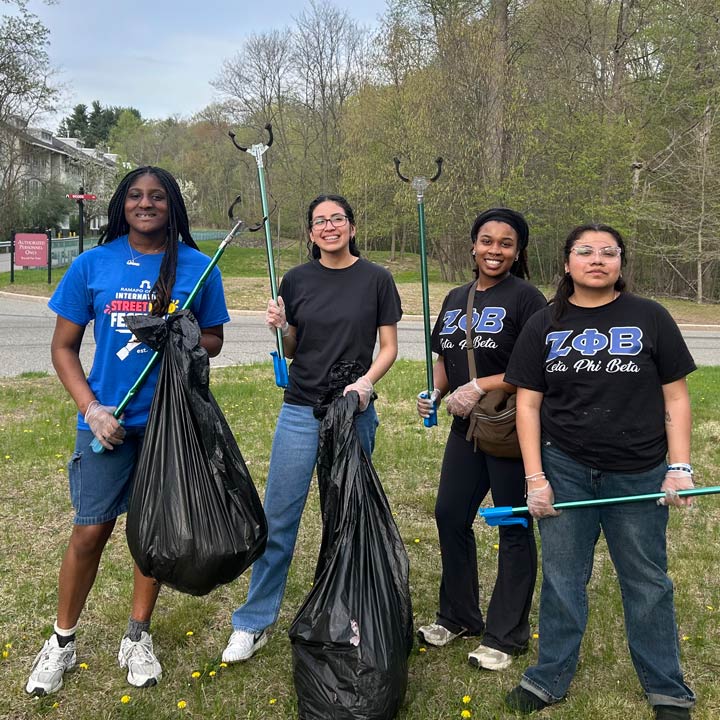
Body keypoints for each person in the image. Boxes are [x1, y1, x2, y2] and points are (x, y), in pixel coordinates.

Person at [25, 167, 230, 696]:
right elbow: (63, 347)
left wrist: (183, 336)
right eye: (136, 196)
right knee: (90, 530)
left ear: (172, 206)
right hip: (107, 423)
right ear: (122, 205)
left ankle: (136, 635)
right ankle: (62, 641)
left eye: (157, 196)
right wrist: (91, 408)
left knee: (150, 533)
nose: (146, 204)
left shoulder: (199, 267)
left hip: (170, 423)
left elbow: (213, 341)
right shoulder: (92, 264)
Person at [503, 224, 696, 720]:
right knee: (563, 580)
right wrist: (535, 479)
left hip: (638, 472)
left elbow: (675, 396)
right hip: (565, 468)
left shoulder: (650, 317)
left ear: (621, 264)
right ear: (566, 264)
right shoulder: (545, 323)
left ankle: (667, 689)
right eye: (584, 251)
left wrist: (678, 468)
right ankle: (548, 679)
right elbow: (527, 406)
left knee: (647, 582)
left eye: (608, 252)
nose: (597, 259)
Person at [223, 193, 402, 662]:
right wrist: (281, 327)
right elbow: (293, 348)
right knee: (279, 517)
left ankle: (349, 612)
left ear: (352, 227)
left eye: (337, 219)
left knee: (346, 518)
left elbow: (388, 347)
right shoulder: (296, 279)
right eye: (319, 221)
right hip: (301, 410)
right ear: (310, 233)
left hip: (353, 412)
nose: (329, 227)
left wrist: (365, 384)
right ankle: (253, 621)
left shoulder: (377, 280)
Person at [416, 208, 546, 671]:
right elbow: (445, 355)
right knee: (450, 515)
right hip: (463, 428)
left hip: (509, 428)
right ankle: (458, 615)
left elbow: (538, 367)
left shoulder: (528, 299)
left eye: (505, 243)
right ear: (473, 246)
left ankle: (506, 636)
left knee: (511, 525)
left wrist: (482, 385)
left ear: (517, 252)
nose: (495, 250)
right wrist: (435, 391)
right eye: (487, 241)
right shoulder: (455, 297)